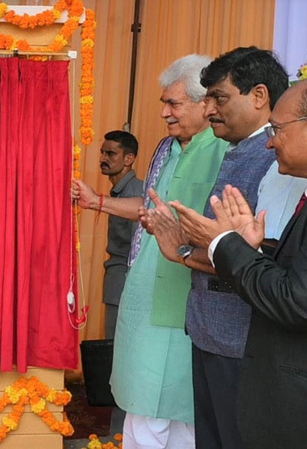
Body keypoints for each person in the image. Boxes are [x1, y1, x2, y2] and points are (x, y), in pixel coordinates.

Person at [143, 47, 306, 448]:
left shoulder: (275, 159)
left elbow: (261, 258)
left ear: (259, 96)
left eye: (219, 97)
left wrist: (184, 250)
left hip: (240, 337)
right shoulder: (242, 149)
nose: (210, 109)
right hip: (212, 331)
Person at [73, 54, 228, 448]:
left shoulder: (225, 149)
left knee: (181, 415)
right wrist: (97, 203)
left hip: (189, 297)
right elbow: (150, 208)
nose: (164, 113)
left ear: (205, 103)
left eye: (173, 104)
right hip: (146, 294)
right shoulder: (168, 148)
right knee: (147, 408)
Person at [171, 73, 307, 448]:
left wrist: (224, 243)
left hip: (302, 403)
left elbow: (300, 301)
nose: (270, 141)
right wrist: (251, 249)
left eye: (277, 128)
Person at [97, 130, 144, 340]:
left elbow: (139, 248)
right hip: (118, 279)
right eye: (102, 153)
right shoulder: (120, 191)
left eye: (111, 154)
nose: (103, 159)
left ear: (129, 159)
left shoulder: (135, 192)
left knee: (117, 346)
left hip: (127, 280)